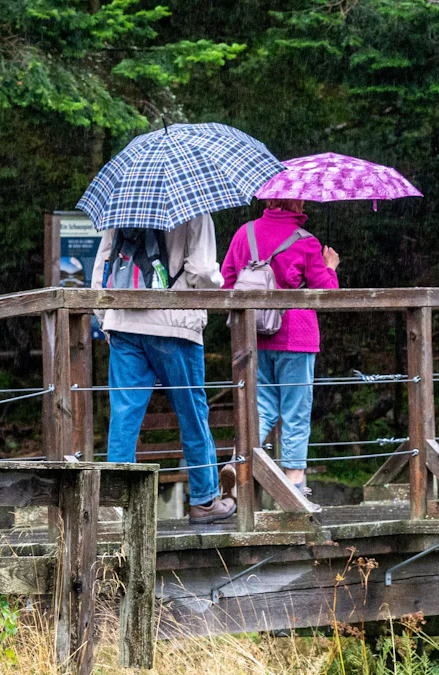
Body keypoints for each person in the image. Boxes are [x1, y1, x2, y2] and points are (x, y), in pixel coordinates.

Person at [91, 214, 237, 524]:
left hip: (125, 320)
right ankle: (204, 500)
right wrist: (218, 282)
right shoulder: (195, 210)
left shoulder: (124, 206)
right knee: (192, 413)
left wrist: (107, 319)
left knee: (124, 415)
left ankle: (116, 504)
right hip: (174, 323)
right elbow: (201, 272)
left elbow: (103, 267)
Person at [221, 200, 340, 503]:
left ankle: (237, 462)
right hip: (296, 336)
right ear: (297, 201)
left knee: (260, 406)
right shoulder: (306, 241)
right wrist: (330, 267)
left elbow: (227, 283)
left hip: (253, 336)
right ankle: (294, 486)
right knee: (296, 411)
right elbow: (324, 293)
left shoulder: (243, 234)